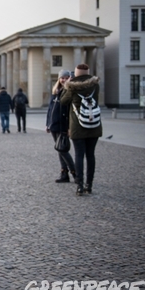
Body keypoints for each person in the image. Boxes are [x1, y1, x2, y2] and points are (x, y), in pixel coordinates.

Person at [60, 63, 103, 196]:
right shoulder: (95, 85)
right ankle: (89, 185)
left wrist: (68, 86)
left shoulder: (71, 86)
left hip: (77, 126)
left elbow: (63, 101)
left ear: (76, 73)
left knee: (79, 155)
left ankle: (79, 185)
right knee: (90, 155)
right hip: (94, 124)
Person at [46, 70, 76, 183]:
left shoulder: (69, 92)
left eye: (66, 77)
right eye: (61, 78)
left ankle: (75, 173)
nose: (63, 80)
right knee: (59, 150)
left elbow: (70, 112)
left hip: (63, 125)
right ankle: (64, 174)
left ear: (69, 78)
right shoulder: (55, 92)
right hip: (54, 125)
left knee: (63, 150)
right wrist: (47, 124)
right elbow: (50, 110)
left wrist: (69, 127)